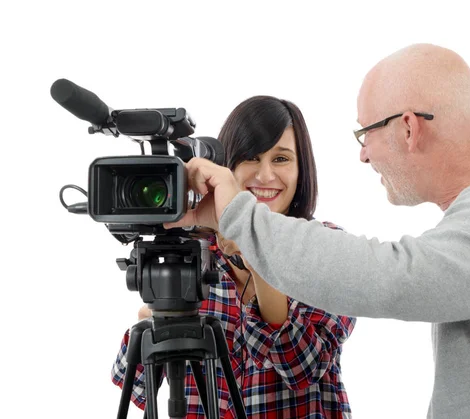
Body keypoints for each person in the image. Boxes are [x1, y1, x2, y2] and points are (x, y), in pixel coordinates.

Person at [166, 44, 470, 418]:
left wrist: (239, 218)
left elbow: (391, 277)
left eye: (365, 134)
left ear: (408, 127)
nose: (363, 155)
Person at [112, 95, 356, 418]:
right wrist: (154, 324)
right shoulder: (192, 253)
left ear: (302, 168)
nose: (265, 176)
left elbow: (303, 367)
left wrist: (251, 243)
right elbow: (140, 390)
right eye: (251, 158)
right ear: (228, 167)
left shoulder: (327, 248)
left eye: (281, 159)